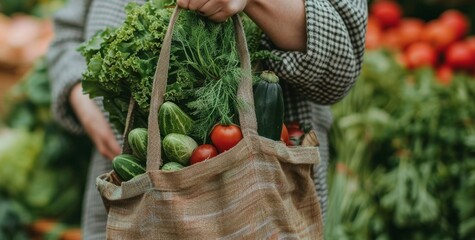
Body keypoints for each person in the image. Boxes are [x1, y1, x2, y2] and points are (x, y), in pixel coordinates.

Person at [47, 0, 367, 239]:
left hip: (257, 199)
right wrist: (80, 94)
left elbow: (341, 69)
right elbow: (67, 35)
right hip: (132, 198)